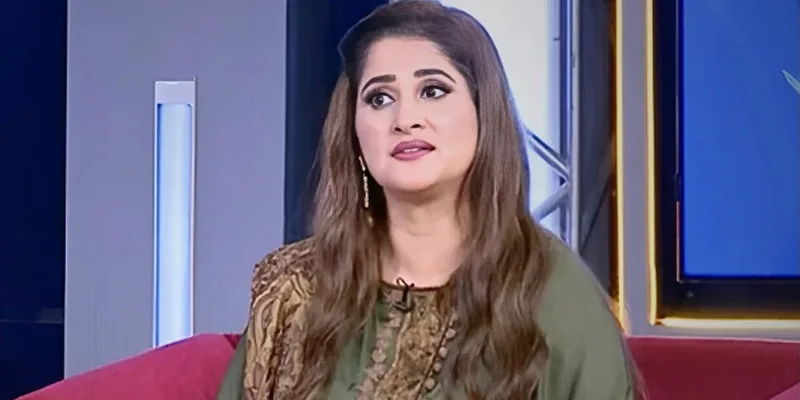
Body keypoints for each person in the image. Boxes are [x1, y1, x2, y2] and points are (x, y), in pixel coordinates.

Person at [216, 1, 642, 399]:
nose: (405, 120)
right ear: (353, 131)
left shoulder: (555, 295)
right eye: (379, 98)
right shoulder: (293, 288)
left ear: (483, 113)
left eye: (433, 90)